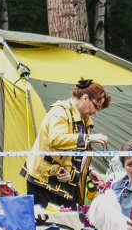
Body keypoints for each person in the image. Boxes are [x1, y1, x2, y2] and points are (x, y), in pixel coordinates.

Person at [22, 79, 110, 209]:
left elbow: (74, 151)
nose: (96, 112)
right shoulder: (59, 112)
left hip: (67, 184)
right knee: (43, 223)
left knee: (71, 224)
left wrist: (89, 170)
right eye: (96, 107)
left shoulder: (84, 119)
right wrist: (89, 138)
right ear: (85, 98)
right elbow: (56, 139)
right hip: (43, 182)